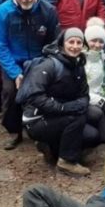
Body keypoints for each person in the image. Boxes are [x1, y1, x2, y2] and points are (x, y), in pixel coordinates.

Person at [0, 0, 59, 150]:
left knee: (41, 94)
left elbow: (53, 42)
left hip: (38, 60)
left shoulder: (48, 11)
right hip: (13, 62)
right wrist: (15, 73)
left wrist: (43, 66)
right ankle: (14, 131)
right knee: (10, 93)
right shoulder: (3, 12)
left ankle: (39, 129)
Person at [18, 28, 92, 176]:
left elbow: (84, 94)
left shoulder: (78, 65)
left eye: (79, 42)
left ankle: (52, 147)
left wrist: (81, 104)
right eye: (71, 42)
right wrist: (64, 108)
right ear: (62, 44)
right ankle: (67, 162)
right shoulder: (49, 65)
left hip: (57, 115)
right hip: (36, 119)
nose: (75, 46)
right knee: (78, 117)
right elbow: (35, 97)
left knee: (92, 135)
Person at [83, 19, 105, 144]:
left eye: (101, 41)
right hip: (84, 101)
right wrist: (102, 102)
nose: (97, 45)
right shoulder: (79, 59)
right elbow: (79, 89)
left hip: (100, 100)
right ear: (86, 40)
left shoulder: (103, 58)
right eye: (93, 40)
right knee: (96, 118)